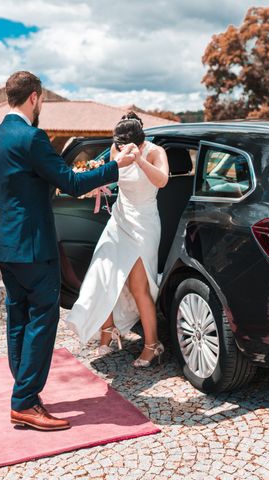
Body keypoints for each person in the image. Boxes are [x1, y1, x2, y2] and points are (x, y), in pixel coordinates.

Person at [0, 71, 137, 431]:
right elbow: (70, 182)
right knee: (42, 319)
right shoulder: (32, 137)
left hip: (5, 245)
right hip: (34, 246)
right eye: (42, 102)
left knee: (17, 317)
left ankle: (24, 392)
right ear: (34, 98)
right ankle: (23, 401)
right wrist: (117, 166)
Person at [66, 112, 169, 367]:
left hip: (143, 223)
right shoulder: (116, 148)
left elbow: (162, 181)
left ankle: (152, 344)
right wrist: (99, 186)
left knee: (138, 286)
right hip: (120, 219)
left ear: (139, 140)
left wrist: (139, 160)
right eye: (118, 144)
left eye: (125, 144)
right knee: (101, 272)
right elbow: (116, 177)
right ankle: (108, 327)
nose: (120, 148)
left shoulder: (156, 152)